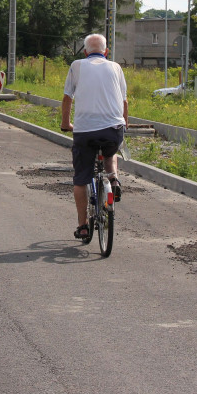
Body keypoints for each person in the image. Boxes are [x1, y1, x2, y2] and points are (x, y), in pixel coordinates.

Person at [60, 33, 128, 241]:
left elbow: (67, 98)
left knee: (81, 179)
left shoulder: (77, 65)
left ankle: (82, 226)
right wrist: (124, 125)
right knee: (111, 152)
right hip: (113, 129)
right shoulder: (116, 67)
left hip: (84, 131)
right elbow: (124, 103)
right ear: (106, 52)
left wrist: (65, 124)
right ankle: (113, 179)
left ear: (86, 51)